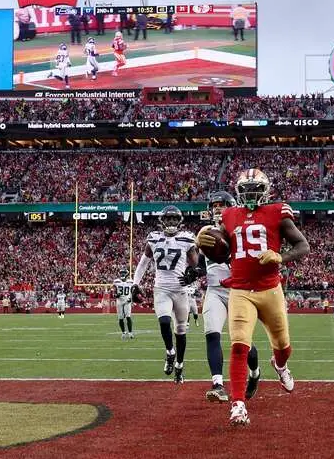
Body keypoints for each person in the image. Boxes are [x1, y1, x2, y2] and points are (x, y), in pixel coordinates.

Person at [196, 169, 310, 426]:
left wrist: (280, 256)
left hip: (270, 289)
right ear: (238, 192)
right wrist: (204, 243)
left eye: (255, 190)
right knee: (239, 345)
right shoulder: (229, 215)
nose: (250, 195)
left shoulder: (278, 212)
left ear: (265, 191)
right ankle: (238, 405)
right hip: (240, 290)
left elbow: (303, 245)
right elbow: (222, 251)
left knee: (283, 346)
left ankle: (280, 366)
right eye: (246, 190)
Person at [183, 191, 261, 403]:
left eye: (222, 204)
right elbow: (201, 263)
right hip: (215, 291)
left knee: (242, 343)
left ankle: (255, 373)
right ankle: (218, 384)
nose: (217, 208)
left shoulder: (241, 229)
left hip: (239, 291)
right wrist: (194, 272)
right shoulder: (207, 231)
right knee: (212, 334)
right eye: (214, 205)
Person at [133, 206, 198, 384]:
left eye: (173, 219)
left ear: (179, 221)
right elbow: (143, 263)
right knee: (164, 322)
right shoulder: (154, 239)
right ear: (162, 220)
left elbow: (196, 265)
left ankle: (179, 365)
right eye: (168, 218)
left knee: (181, 331)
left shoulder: (186, 239)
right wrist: (135, 283)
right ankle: (170, 352)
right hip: (161, 288)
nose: (170, 222)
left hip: (180, 290)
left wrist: (194, 273)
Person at [113, 269, 135, 339]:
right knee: (120, 318)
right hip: (119, 301)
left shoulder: (130, 282)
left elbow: (133, 291)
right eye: (121, 273)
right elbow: (114, 292)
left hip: (127, 300)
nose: (122, 274)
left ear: (127, 274)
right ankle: (123, 332)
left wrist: (131, 299)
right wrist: (116, 295)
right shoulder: (116, 281)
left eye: (124, 273)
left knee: (128, 316)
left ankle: (130, 333)